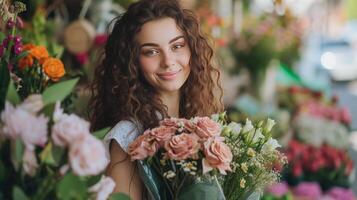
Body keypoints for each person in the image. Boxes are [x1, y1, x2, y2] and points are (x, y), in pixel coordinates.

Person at [89, 0, 223, 199]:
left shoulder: (195, 119)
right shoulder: (128, 136)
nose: (168, 61)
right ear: (132, 62)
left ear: (192, 50)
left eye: (177, 46)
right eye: (151, 51)